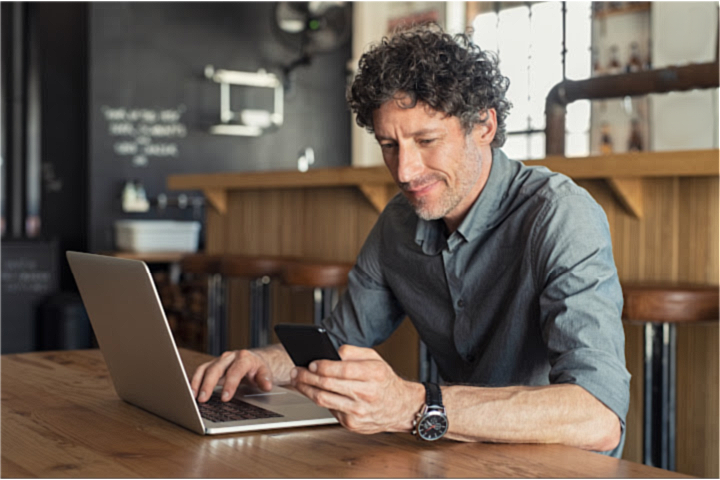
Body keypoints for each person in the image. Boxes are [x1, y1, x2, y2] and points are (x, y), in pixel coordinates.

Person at [191, 24, 630, 457]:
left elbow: (599, 417)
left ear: (484, 126)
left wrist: (414, 405)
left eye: (426, 140)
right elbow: (341, 341)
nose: (404, 171)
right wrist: (263, 363)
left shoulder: (561, 215)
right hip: (458, 457)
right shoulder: (399, 222)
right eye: (389, 145)